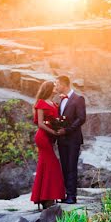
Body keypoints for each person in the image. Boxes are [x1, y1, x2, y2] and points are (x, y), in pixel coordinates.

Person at [30, 80, 66, 209]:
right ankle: (47, 197)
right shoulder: (41, 103)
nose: (56, 87)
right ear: (49, 89)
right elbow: (40, 123)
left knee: (47, 164)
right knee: (52, 164)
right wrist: (53, 132)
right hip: (43, 137)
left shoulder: (54, 104)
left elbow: (55, 120)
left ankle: (46, 197)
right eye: (54, 86)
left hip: (50, 137)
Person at [55, 75, 86, 204]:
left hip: (73, 139)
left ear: (64, 85)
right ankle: (64, 194)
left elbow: (81, 118)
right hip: (62, 139)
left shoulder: (78, 99)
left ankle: (72, 196)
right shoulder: (61, 100)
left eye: (57, 84)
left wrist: (67, 130)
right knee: (64, 167)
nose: (55, 87)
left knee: (72, 167)